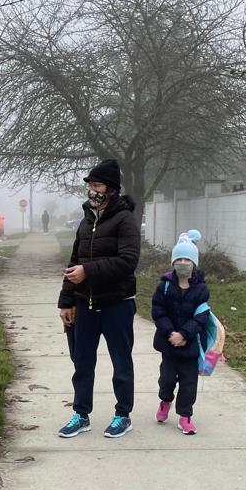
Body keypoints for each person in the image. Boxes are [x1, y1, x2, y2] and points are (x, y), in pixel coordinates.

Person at [57, 158, 140, 439]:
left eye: (97, 184)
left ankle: (123, 415)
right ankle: (81, 414)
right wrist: (65, 302)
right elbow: (74, 261)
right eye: (90, 184)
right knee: (82, 362)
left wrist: (88, 271)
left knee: (121, 362)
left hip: (117, 303)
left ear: (112, 189)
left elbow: (128, 261)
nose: (92, 189)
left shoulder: (125, 219)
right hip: (84, 303)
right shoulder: (86, 219)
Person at [151, 230, 209, 435]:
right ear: (173, 261)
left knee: (189, 384)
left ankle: (185, 416)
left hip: (190, 344)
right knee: (167, 379)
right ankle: (165, 400)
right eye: (179, 258)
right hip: (168, 344)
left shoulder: (201, 289)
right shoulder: (164, 286)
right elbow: (158, 312)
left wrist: (184, 334)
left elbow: (201, 317)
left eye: (187, 259)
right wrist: (171, 334)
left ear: (194, 263)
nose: (183, 262)